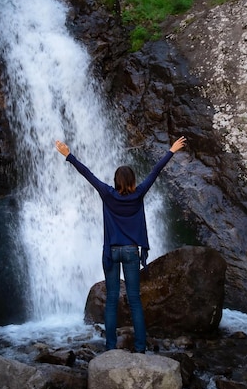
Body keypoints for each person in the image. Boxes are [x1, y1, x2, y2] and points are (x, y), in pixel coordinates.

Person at [55, 136, 186, 353]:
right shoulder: (139, 193)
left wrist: (68, 155)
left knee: (112, 300)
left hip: (111, 253)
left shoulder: (107, 193)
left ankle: (110, 348)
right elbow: (155, 171)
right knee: (135, 300)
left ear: (116, 181)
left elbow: (87, 174)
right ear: (133, 181)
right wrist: (171, 150)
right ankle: (140, 347)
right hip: (131, 252)